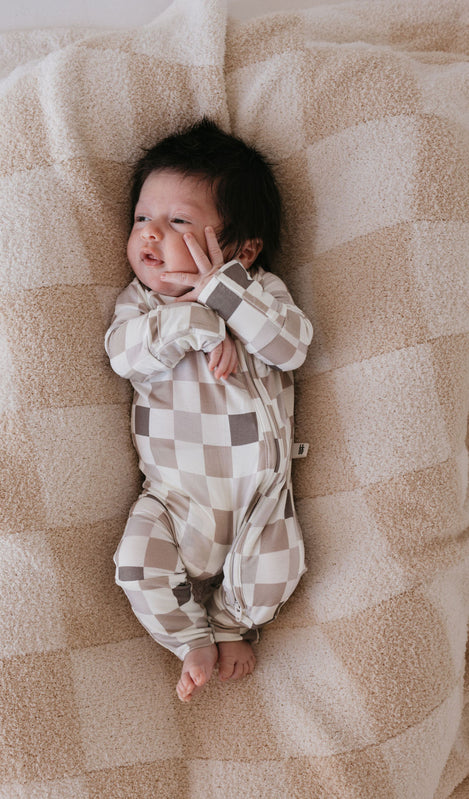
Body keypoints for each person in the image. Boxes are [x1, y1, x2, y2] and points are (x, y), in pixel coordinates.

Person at [105, 119, 313, 702]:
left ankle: (231, 621)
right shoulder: (143, 304)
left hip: (258, 498)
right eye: (142, 218)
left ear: (241, 248)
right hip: (172, 498)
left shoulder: (259, 291)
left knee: (278, 568)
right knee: (135, 562)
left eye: (177, 222)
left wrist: (222, 293)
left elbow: (290, 345)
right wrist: (194, 322)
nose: (150, 235)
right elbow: (123, 356)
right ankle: (189, 637)